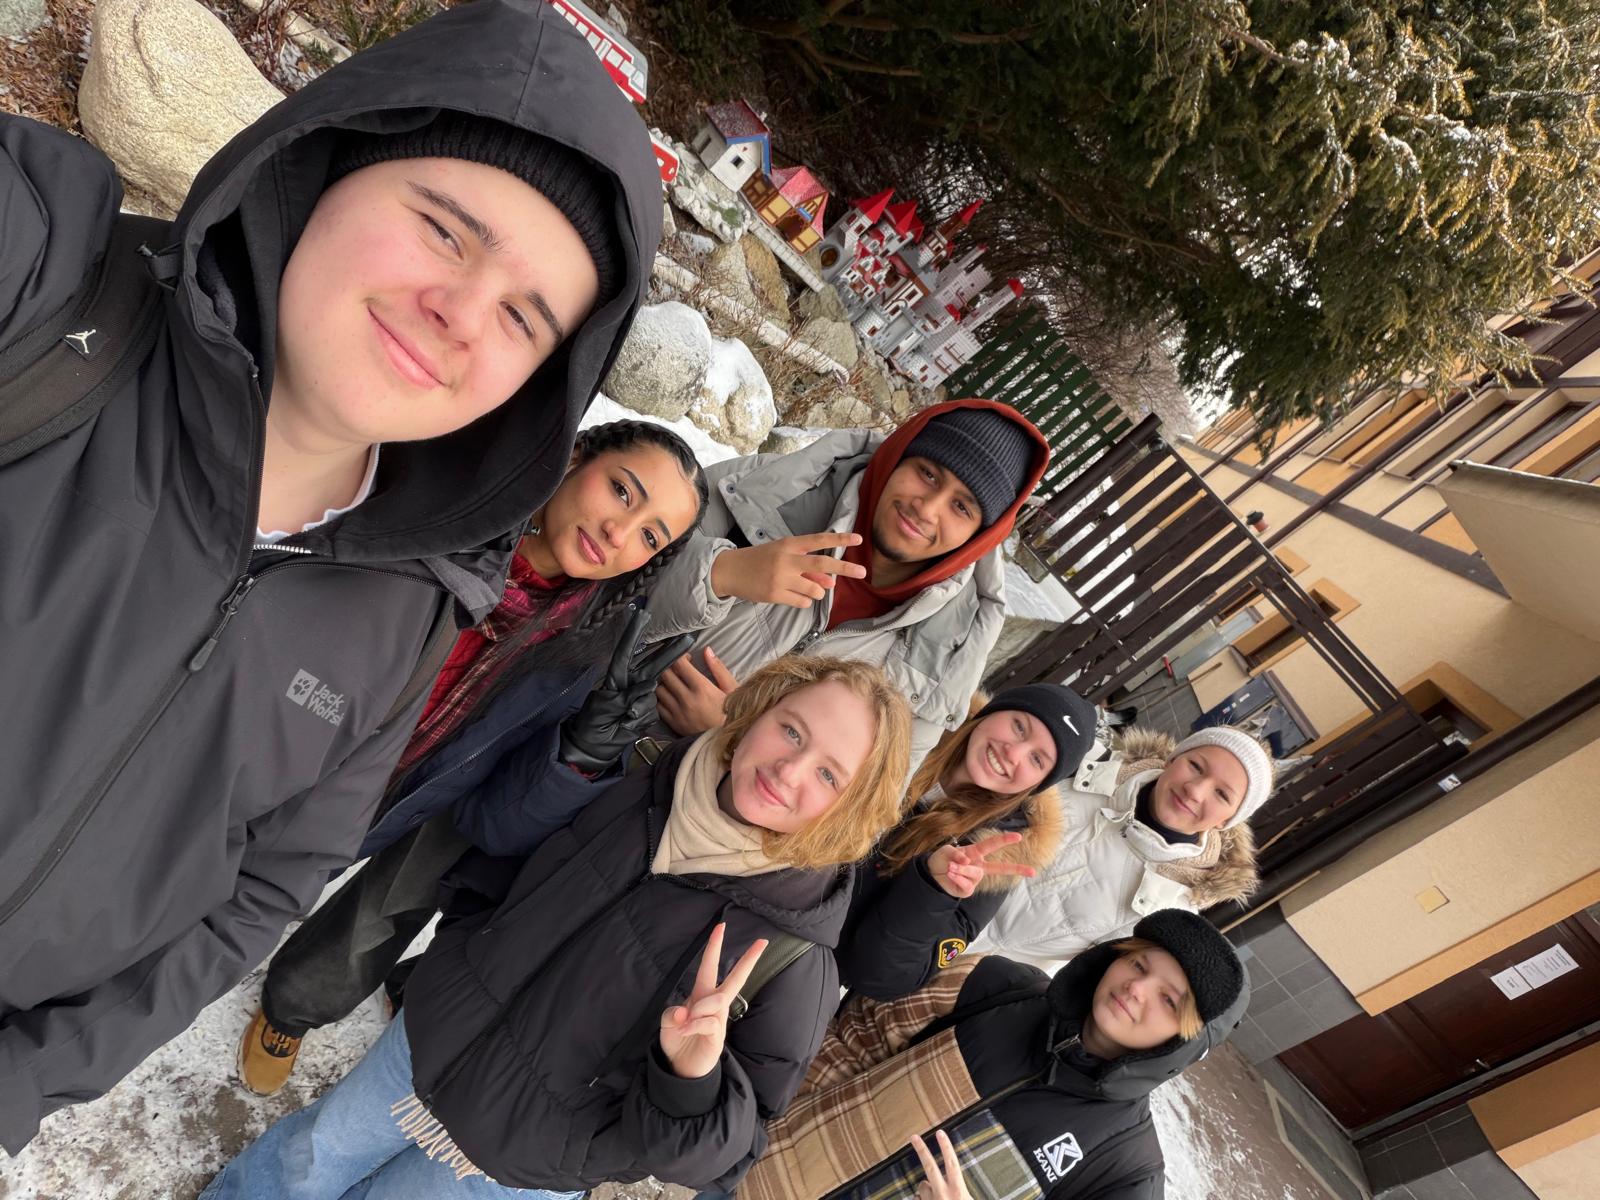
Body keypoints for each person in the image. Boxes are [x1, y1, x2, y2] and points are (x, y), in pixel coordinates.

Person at [0, 0, 661, 1151]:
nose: (460, 315)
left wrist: (26, 1082)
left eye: (525, 317)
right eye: (444, 229)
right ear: (328, 163)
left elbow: (258, 893)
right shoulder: (49, 289)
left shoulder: (414, 614)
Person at [200, 656, 914, 1199]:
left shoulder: (796, 957)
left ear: (851, 810)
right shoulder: (644, 779)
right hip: (430, 1041)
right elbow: (503, 865)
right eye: (791, 729)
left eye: (830, 775)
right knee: (310, 1156)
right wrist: (463, 960)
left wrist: (691, 1078)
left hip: (525, 1153)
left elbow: (726, 1157)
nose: (790, 770)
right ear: (757, 710)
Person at [236, 419, 707, 1096]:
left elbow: (496, 821)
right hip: (277, 742)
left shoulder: (587, 653)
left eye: (650, 537)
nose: (618, 532)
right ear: (575, 456)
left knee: (388, 905)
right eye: (622, 491)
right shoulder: (447, 517)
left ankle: (292, 1009)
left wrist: (578, 755)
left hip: (392, 805)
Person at [732, 909, 1251, 1200]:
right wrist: (761, 1133)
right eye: (1139, 965)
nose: (1137, 990)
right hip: (745, 1181)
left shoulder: (1125, 1167)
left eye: (1169, 1000)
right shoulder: (994, 985)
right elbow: (858, 1036)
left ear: (1187, 1040)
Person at [647, 398, 1050, 772]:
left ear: (980, 536)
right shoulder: (762, 491)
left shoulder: (950, 652)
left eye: (961, 507)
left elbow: (869, 805)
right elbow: (616, 577)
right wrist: (723, 572)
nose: (927, 509)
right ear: (897, 456)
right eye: (927, 473)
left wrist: (730, 742)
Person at [836, 683, 1099, 1001]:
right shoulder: (899, 730)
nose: (1013, 754)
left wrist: (931, 890)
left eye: (1037, 760)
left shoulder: (993, 858)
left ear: (1038, 784)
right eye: (1019, 726)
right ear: (993, 711)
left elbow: (879, 978)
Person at [968, 727, 1270, 973]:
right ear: (1173, 758)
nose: (1195, 790)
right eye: (1195, 766)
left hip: (967, 984)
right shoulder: (1084, 767)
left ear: (1226, 821)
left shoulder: (1172, 907)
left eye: (1222, 794)